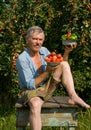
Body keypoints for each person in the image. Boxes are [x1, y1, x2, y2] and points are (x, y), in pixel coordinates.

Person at [16, 26, 90, 130]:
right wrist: (47, 72)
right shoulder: (22, 58)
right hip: (31, 91)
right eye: (35, 39)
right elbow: (30, 85)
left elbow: (58, 63)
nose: (38, 42)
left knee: (64, 64)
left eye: (40, 39)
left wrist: (67, 52)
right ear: (27, 40)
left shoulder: (44, 51)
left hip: (47, 87)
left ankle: (73, 96)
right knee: (35, 104)